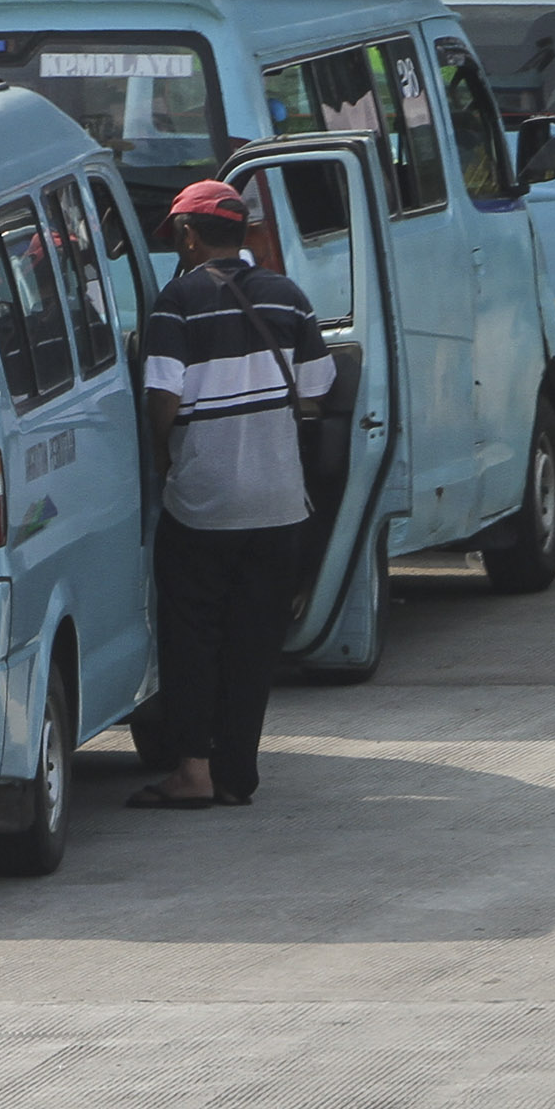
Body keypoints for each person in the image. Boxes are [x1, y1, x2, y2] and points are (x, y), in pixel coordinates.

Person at [130, 177, 335, 811]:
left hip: (205, 505)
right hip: (279, 504)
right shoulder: (289, 297)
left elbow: (162, 398)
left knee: (193, 636)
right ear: (241, 233)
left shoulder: (178, 302)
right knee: (253, 642)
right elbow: (316, 393)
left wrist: (163, 453)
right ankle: (234, 775)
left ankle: (191, 771)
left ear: (188, 236)